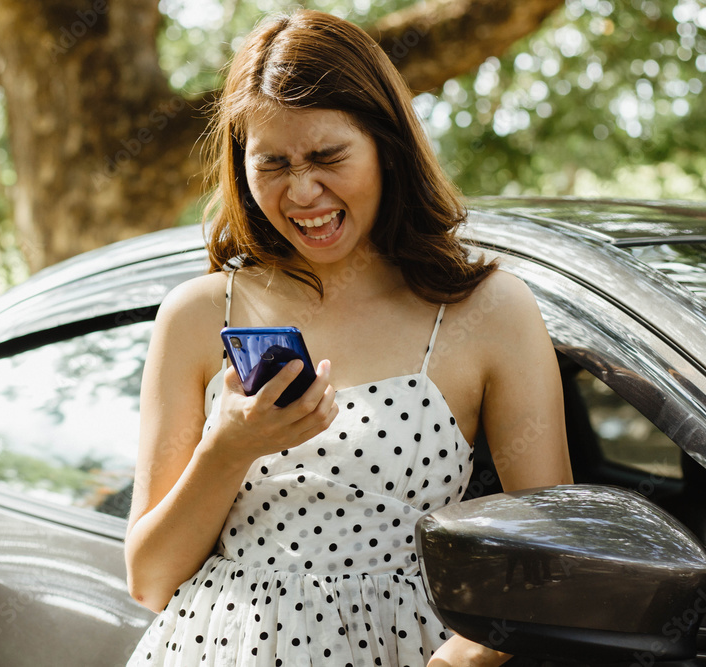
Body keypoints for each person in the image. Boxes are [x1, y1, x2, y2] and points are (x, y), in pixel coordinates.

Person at [124, 9, 572, 667]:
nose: (303, 191)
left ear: (387, 144)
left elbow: (552, 558)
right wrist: (230, 447)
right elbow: (150, 580)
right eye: (272, 163)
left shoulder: (488, 310)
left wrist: (456, 662)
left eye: (328, 156)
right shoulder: (198, 315)